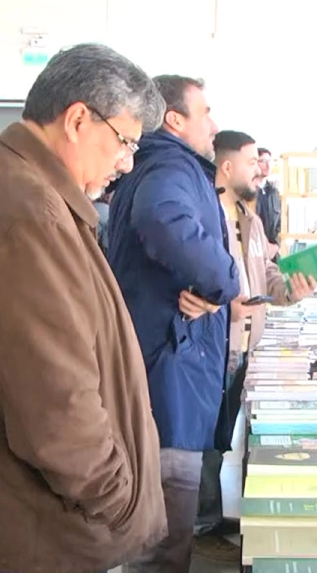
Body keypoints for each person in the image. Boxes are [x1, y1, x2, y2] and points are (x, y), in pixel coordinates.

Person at [0, 43, 167, 573]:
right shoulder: (27, 212)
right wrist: (118, 500)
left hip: (4, 510)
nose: (126, 163)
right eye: (124, 142)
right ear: (78, 119)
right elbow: (54, 405)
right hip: (33, 529)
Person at [107, 75, 241, 573]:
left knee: (161, 536)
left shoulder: (166, 165)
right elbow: (164, 220)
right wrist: (223, 282)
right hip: (169, 377)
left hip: (169, 369)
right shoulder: (169, 166)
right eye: (205, 112)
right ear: (174, 120)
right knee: (162, 542)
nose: (214, 124)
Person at [194, 131, 315, 561]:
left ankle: (206, 517)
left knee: (222, 436)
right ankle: (201, 523)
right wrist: (222, 309)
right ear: (227, 167)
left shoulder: (253, 218)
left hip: (247, 345)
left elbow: (268, 277)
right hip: (211, 345)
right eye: (251, 162)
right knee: (201, 440)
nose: (259, 171)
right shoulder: (203, 215)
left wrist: (292, 290)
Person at [255, 147, 281, 259]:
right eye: (263, 161)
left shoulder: (274, 192)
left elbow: (281, 223)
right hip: (253, 251)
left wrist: (276, 245)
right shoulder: (247, 191)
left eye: (270, 161)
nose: (268, 165)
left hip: (272, 253)